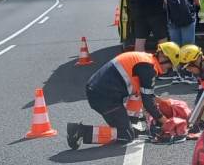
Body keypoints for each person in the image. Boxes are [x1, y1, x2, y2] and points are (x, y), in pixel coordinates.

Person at [67, 42, 196, 148]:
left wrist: (162, 103)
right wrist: (165, 122)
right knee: (126, 136)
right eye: (169, 65)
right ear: (162, 57)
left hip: (100, 91)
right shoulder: (148, 68)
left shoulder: (146, 60)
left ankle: (131, 122)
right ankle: (80, 131)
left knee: (138, 95)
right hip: (103, 97)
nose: (168, 70)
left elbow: (145, 94)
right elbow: (147, 102)